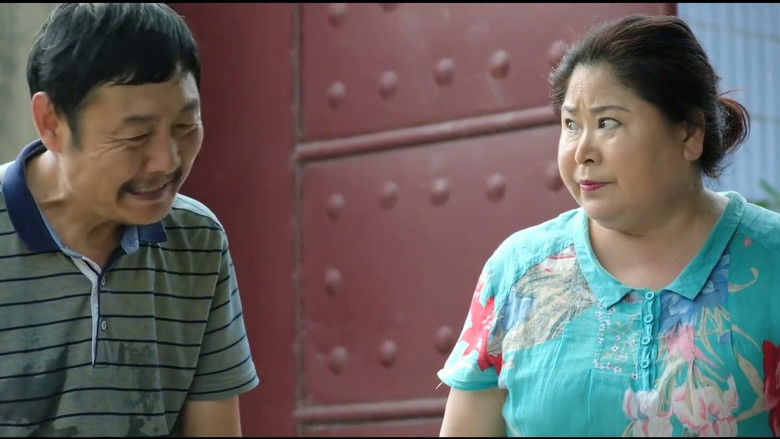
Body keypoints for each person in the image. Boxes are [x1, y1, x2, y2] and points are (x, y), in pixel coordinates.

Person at [437, 14, 780, 437]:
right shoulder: (519, 270)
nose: (582, 151)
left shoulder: (771, 261)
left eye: (607, 123)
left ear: (689, 134)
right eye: (570, 125)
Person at [0, 3, 258, 436]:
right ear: (52, 123)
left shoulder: (197, 242)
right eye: (135, 136)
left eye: (185, 125)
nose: (166, 161)